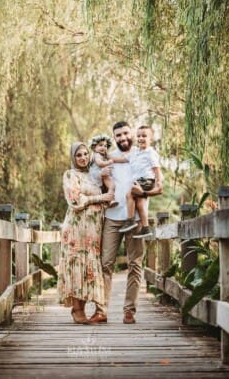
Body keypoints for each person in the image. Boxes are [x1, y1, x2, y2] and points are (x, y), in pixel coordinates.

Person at [88, 121, 146, 325]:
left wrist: (143, 192)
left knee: (135, 264)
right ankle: (101, 310)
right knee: (105, 264)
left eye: (125, 134)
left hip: (135, 219)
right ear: (114, 138)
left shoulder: (142, 156)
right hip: (112, 217)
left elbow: (154, 184)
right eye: (118, 136)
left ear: (131, 133)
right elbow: (95, 183)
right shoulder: (108, 159)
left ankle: (129, 310)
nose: (122, 138)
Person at [57, 141, 114, 324]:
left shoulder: (93, 174)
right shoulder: (70, 175)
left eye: (85, 154)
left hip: (93, 232)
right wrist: (100, 198)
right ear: (73, 158)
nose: (83, 158)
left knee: (87, 267)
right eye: (78, 155)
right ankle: (77, 308)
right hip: (75, 230)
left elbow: (111, 191)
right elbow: (75, 200)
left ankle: (88, 307)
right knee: (76, 265)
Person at [119, 125, 163, 237]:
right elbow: (122, 159)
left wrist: (159, 183)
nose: (141, 138)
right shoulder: (137, 152)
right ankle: (145, 228)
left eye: (144, 136)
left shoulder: (150, 152)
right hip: (142, 181)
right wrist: (107, 157)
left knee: (129, 193)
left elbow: (156, 169)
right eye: (138, 136)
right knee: (139, 203)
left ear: (150, 139)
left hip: (147, 181)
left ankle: (130, 220)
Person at [89, 133, 126, 208]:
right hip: (98, 174)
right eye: (100, 145)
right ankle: (110, 199)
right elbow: (100, 164)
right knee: (112, 185)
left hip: (103, 174)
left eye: (105, 146)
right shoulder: (96, 155)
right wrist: (108, 162)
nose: (103, 147)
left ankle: (109, 200)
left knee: (110, 186)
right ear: (94, 147)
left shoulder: (103, 155)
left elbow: (114, 159)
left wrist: (124, 159)